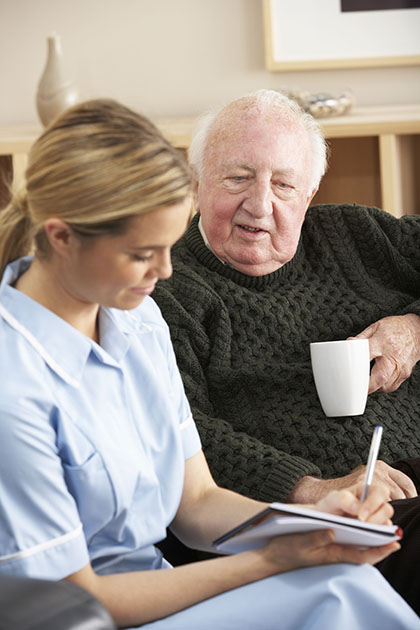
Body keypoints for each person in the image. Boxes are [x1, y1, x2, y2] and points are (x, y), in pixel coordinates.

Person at [0, 98, 417, 629]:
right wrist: (274, 555)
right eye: (143, 252)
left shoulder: (138, 320)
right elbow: (77, 601)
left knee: (346, 586)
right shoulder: (13, 389)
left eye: (170, 245)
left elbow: (197, 503)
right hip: (88, 613)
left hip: (159, 579)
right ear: (61, 237)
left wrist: (310, 521)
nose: (167, 269)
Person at [152, 89, 420, 613]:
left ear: (311, 190)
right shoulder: (167, 288)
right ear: (197, 182)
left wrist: (415, 328)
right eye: (237, 178)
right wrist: (310, 489)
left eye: (283, 184)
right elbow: (181, 431)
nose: (260, 204)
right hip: (326, 522)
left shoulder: (357, 235)